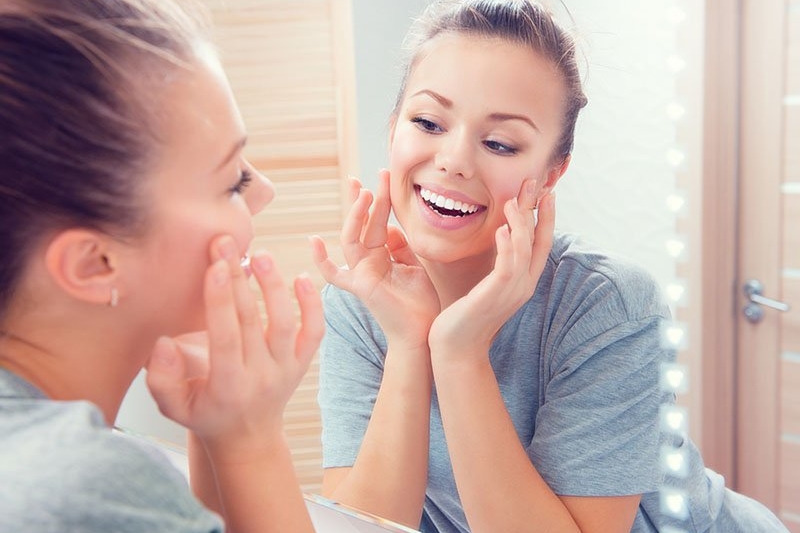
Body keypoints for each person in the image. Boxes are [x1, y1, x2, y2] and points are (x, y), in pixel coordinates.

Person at [310, 1, 789, 532]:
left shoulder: (606, 305)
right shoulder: (361, 301)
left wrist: (460, 352)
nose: (454, 160)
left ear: (552, 174)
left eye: (500, 143)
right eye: (427, 121)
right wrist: (408, 342)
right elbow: (364, 526)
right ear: (395, 125)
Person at [0, 0, 323, 531]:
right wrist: (252, 439)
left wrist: (222, 426)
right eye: (232, 183)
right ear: (94, 262)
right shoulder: (81, 489)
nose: (265, 190)